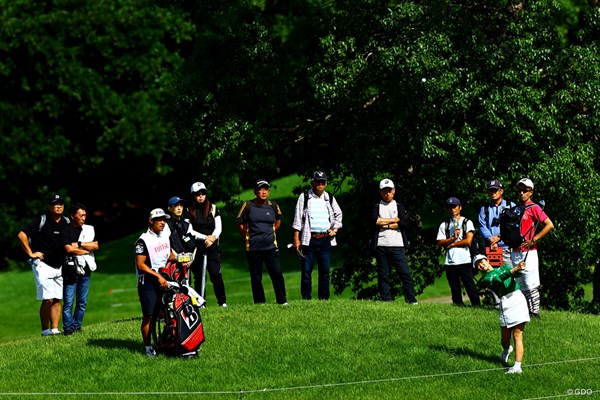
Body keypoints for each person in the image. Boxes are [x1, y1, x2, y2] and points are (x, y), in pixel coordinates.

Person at [17, 194, 70, 336]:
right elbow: (22, 235)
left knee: (57, 298)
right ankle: (45, 330)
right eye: (55, 204)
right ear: (49, 206)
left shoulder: (66, 221)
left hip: (60, 265)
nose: (58, 206)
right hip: (43, 265)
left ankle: (55, 329)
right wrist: (30, 253)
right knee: (48, 298)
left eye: (61, 204)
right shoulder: (41, 220)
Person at [473, 254, 530, 374]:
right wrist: (515, 269)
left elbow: (516, 274)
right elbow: (500, 278)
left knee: (517, 335)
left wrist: (521, 269)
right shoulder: (486, 279)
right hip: (505, 303)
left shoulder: (504, 267)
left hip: (518, 298)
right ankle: (506, 349)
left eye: (482, 262)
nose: (481, 265)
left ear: (487, 260)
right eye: (478, 266)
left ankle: (517, 366)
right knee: (505, 339)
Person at [292, 171, 343, 300]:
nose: (320, 184)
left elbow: (339, 214)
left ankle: (324, 299)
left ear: (326, 183)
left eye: (323, 182)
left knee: (325, 272)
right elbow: (297, 219)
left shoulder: (329, 198)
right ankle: (306, 299)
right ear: (312, 182)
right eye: (318, 181)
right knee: (307, 271)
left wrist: (335, 229)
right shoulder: (304, 197)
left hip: (325, 239)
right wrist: (296, 239)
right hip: (309, 240)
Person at [236, 179, 288, 305]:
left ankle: (282, 301)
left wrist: (272, 231)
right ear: (255, 191)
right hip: (253, 247)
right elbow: (239, 222)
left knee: (277, 274)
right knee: (256, 277)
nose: (263, 192)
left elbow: (278, 221)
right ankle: (260, 302)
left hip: (270, 247)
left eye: (266, 189)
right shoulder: (248, 205)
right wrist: (245, 235)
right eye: (261, 189)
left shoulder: (273, 206)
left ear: (269, 191)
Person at [369, 179, 418, 304]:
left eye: (389, 191)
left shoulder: (399, 206)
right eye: (384, 191)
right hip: (381, 244)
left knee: (405, 273)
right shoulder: (376, 206)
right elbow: (375, 221)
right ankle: (386, 299)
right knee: (383, 274)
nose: (387, 194)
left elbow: (403, 222)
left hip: (397, 244)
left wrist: (384, 223)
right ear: (380, 192)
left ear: (394, 191)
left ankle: (411, 299)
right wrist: (393, 221)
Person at [510, 178, 554, 318]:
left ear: (531, 192)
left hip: (529, 251)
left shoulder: (534, 207)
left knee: (531, 283)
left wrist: (534, 239)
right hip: (516, 251)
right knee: (520, 284)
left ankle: (535, 311)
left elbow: (549, 225)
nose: (522, 193)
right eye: (520, 190)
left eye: (525, 190)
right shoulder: (516, 209)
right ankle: (524, 311)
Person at [134, 208, 174, 356]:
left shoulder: (164, 236)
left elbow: (168, 255)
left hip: (162, 278)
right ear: (151, 221)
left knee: (165, 313)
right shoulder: (143, 240)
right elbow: (141, 265)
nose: (163, 222)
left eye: (164, 219)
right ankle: (147, 347)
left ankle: (165, 340)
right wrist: (158, 277)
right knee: (149, 316)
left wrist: (181, 258)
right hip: (148, 282)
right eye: (159, 220)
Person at [187, 182, 228, 307]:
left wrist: (212, 238)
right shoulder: (188, 210)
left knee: (215, 274)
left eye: (203, 194)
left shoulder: (213, 208)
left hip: (212, 245)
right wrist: (205, 237)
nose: (201, 196)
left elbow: (218, 227)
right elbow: (189, 230)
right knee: (199, 276)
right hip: (196, 246)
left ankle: (222, 302)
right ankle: (200, 303)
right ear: (193, 196)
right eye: (198, 194)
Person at [436, 197, 481, 306]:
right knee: (454, 288)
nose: (452, 209)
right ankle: (458, 306)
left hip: (464, 259)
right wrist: (452, 238)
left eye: (454, 207)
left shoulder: (467, 222)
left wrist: (452, 244)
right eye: (450, 207)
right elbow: (440, 242)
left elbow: (468, 241)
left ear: (460, 207)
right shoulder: (444, 225)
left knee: (470, 285)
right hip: (450, 261)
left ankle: (477, 306)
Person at [62, 202, 98, 336]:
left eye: (85, 215)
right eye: (81, 215)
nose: (84, 218)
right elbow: (68, 249)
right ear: (72, 216)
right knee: (69, 301)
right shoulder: (65, 229)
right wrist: (84, 249)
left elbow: (95, 246)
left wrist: (79, 244)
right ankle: (68, 328)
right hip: (70, 269)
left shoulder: (88, 229)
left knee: (82, 301)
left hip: (86, 269)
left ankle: (77, 326)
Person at [478, 179, 515, 266]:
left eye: (495, 190)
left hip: (507, 247)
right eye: (491, 190)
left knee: (509, 274)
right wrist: (491, 239)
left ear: (501, 191)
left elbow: (514, 225)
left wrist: (499, 236)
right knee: (494, 275)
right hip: (491, 248)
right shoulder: (484, 209)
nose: (493, 192)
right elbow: (482, 226)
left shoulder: (510, 205)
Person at [165, 196, 196, 285]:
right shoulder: (167, 225)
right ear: (169, 208)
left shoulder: (187, 225)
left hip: (186, 265)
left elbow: (194, 245)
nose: (179, 208)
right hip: (173, 265)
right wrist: (179, 258)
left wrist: (191, 259)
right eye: (176, 206)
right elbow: (167, 246)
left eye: (181, 206)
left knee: (186, 292)